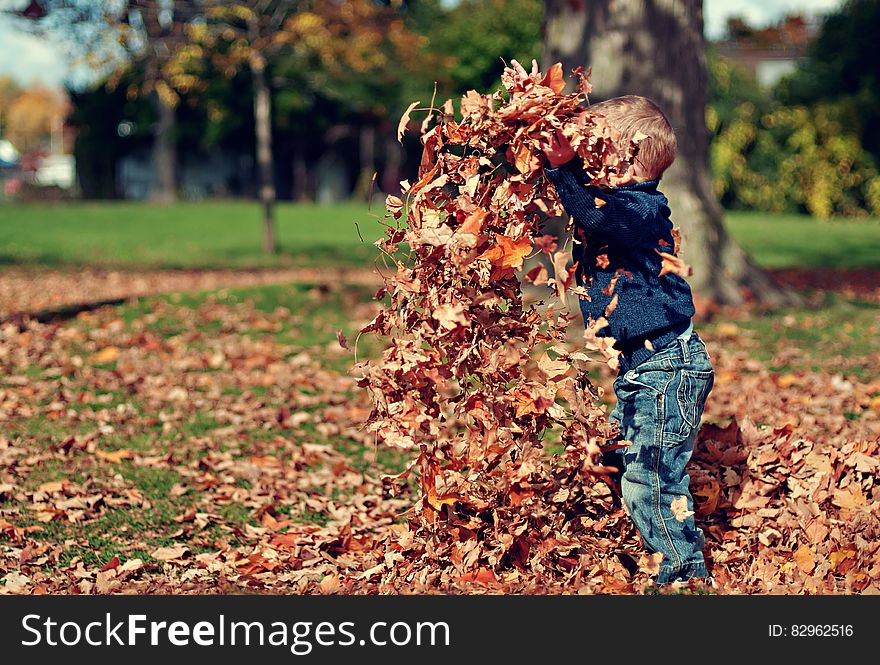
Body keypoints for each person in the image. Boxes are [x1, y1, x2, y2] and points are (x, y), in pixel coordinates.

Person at [539, 94, 715, 586]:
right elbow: (586, 207)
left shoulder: (641, 210)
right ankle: (629, 539)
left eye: (596, 154)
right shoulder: (619, 205)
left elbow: (595, 215)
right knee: (617, 455)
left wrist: (564, 170)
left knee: (653, 480)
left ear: (626, 157)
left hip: (667, 369)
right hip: (644, 370)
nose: (587, 162)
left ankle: (684, 575)